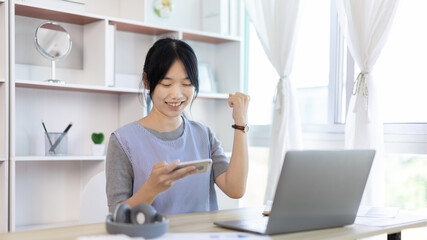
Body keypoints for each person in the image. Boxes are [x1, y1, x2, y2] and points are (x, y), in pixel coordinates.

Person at [106, 38, 250, 215]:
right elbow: (116, 214)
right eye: (166, 84)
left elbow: (235, 189)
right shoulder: (123, 141)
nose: (176, 94)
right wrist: (151, 189)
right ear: (147, 81)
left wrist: (240, 122)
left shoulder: (203, 135)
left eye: (187, 83)